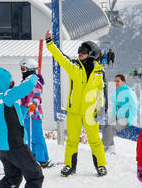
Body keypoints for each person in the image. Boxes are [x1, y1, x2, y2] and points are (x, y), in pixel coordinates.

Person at [45, 30, 108, 177]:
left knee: (95, 141)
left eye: (84, 51)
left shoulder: (99, 72)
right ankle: (69, 166)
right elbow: (60, 58)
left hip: (90, 113)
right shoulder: (74, 67)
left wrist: (101, 111)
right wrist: (50, 43)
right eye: (79, 50)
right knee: (72, 140)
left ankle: (101, 166)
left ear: (92, 53)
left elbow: (102, 94)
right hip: (74, 111)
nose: (80, 53)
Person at [19, 58, 51, 169]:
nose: (22, 71)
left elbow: (37, 96)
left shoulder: (35, 82)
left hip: (34, 114)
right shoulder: (26, 81)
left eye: (23, 68)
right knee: (29, 136)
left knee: (37, 137)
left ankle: (43, 159)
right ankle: (33, 157)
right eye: (21, 68)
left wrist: (34, 105)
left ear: (30, 69)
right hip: (26, 114)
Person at [102, 74, 138, 154]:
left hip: (126, 117)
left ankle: (102, 146)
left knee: (111, 127)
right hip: (118, 116)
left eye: (118, 81)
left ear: (123, 82)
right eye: (115, 81)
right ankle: (111, 148)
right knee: (105, 125)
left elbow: (134, 106)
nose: (116, 83)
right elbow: (114, 106)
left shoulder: (129, 92)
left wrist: (130, 120)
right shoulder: (116, 92)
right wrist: (111, 118)